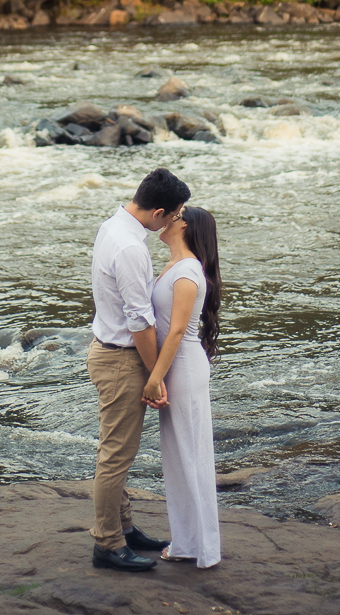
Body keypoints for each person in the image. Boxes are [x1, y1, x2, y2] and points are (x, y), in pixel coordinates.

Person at [88, 167, 191, 573]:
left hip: (107, 350)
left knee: (116, 451)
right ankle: (107, 543)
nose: (175, 222)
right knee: (116, 457)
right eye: (175, 215)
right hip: (121, 360)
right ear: (159, 212)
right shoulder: (131, 248)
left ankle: (125, 529)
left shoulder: (112, 226)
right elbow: (140, 320)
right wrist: (155, 376)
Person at [143, 205, 222, 568]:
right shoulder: (174, 267)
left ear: (186, 226)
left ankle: (204, 547)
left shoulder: (188, 271)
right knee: (177, 459)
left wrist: (155, 377)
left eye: (175, 216)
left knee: (192, 457)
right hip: (174, 367)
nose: (166, 219)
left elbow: (176, 331)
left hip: (184, 369)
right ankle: (188, 542)